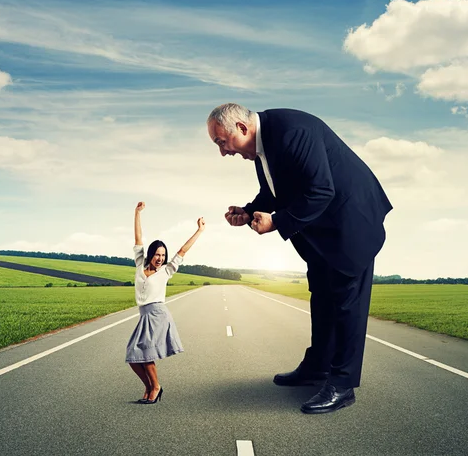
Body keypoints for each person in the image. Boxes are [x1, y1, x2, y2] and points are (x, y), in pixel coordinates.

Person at [206, 103, 392, 414]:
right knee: (321, 298)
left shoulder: (292, 132)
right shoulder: (263, 148)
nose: (223, 152)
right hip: (319, 231)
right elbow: (275, 191)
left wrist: (276, 222)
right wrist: (249, 211)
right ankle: (317, 367)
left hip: (350, 225)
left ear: (241, 128)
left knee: (348, 306)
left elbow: (320, 190)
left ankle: (343, 385)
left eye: (222, 142)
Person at [127, 201, 205, 404]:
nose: (160, 258)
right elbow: (138, 237)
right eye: (157, 254)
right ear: (151, 254)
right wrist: (137, 213)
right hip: (144, 315)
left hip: (158, 315)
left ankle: (156, 388)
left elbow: (183, 250)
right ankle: (150, 386)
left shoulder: (167, 271)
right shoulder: (139, 264)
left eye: (163, 255)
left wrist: (199, 230)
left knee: (145, 354)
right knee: (133, 356)